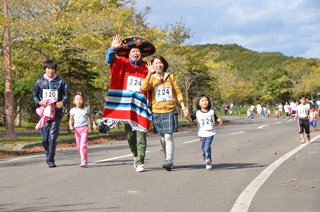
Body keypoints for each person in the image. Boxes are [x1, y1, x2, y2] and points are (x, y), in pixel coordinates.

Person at [103, 35, 156, 172]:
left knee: (141, 132)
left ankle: (140, 162)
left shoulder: (147, 67)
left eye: (138, 51)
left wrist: (151, 74)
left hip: (141, 105)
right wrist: (112, 49)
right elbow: (110, 60)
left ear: (142, 53)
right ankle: (135, 155)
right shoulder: (121, 62)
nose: (136, 53)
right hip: (126, 105)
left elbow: (153, 85)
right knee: (130, 135)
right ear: (128, 52)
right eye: (133, 51)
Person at [142, 55, 186, 171]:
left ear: (164, 64)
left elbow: (177, 91)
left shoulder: (170, 76)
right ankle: (167, 158)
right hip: (156, 111)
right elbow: (144, 87)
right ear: (152, 65)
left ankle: (169, 159)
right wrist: (149, 73)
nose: (158, 65)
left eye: (160, 63)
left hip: (170, 110)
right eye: (155, 63)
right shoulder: (151, 78)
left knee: (168, 134)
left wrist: (182, 105)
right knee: (162, 136)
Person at [32, 60, 70, 168]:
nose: (50, 70)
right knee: (45, 138)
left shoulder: (61, 82)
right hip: (43, 113)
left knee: (52, 137)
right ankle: (48, 155)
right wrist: (39, 102)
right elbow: (34, 95)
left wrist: (62, 102)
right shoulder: (39, 82)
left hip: (56, 113)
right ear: (44, 70)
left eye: (52, 68)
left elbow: (67, 94)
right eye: (48, 68)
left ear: (55, 70)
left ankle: (51, 160)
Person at [183, 94, 223, 170]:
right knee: (203, 148)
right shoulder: (197, 113)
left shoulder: (212, 112)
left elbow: (215, 118)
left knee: (207, 147)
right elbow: (191, 120)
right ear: (198, 103)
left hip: (210, 133)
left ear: (209, 102)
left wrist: (219, 120)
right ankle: (206, 158)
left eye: (206, 100)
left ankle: (208, 162)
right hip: (201, 133)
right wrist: (186, 116)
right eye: (202, 101)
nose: (204, 102)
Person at [69, 92, 97, 167]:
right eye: (77, 99)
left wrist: (94, 124)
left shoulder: (86, 110)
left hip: (84, 128)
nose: (79, 101)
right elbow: (71, 119)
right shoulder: (72, 110)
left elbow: (90, 117)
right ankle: (84, 157)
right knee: (78, 146)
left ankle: (83, 161)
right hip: (77, 129)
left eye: (81, 99)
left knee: (83, 145)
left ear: (83, 101)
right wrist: (70, 125)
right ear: (74, 101)